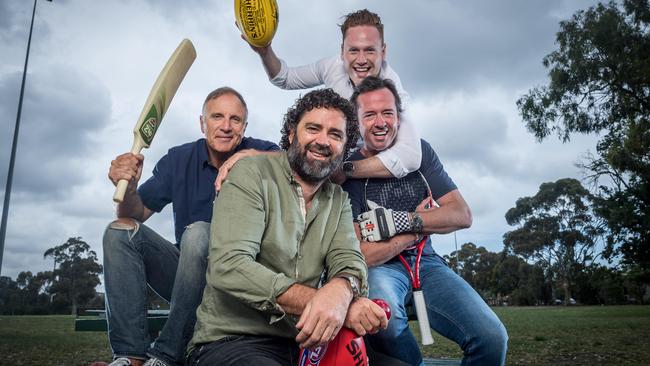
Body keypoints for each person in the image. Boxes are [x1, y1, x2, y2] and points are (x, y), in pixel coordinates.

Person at [187, 88, 389, 366]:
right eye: (313, 129)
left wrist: (343, 291)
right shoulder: (251, 173)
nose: (323, 141)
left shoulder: (338, 199)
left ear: (345, 147)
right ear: (292, 133)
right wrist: (322, 302)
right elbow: (229, 266)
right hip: (233, 340)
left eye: (335, 135)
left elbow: (349, 260)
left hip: (307, 342)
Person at [102, 87, 280, 366]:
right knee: (119, 231)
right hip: (186, 280)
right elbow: (135, 214)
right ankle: (130, 356)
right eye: (217, 116)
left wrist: (249, 158)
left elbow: (296, 161)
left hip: (238, 286)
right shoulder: (178, 159)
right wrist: (130, 187)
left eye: (235, 119)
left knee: (200, 232)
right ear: (202, 123)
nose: (225, 126)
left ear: (244, 127)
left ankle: (168, 355)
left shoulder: (264, 152)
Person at [342, 77, 508, 366]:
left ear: (398, 116)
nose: (381, 122)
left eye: (388, 113)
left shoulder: (419, 153)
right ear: (356, 122)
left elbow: (460, 214)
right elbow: (362, 253)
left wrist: (395, 222)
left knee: (493, 338)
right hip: (380, 269)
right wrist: (417, 228)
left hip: (426, 264)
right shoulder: (348, 170)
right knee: (387, 324)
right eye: (369, 115)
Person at [245, 8, 421, 181]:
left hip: (361, 162)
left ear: (383, 52)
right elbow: (284, 78)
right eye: (353, 50)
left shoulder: (391, 88)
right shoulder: (332, 66)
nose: (361, 60)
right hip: (330, 154)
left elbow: (411, 155)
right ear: (342, 51)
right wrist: (265, 51)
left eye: (370, 50)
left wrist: (346, 169)